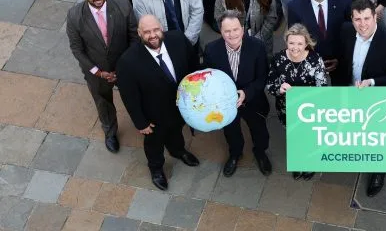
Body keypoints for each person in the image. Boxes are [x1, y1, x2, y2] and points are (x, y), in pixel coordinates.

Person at [116, 15, 200, 191]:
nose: (152, 35)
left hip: (180, 107)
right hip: (153, 115)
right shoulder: (128, 61)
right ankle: (156, 168)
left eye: (155, 30)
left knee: (177, 131)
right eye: (146, 32)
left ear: (161, 28)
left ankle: (178, 151)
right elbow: (129, 96)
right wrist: (141, 122)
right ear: (139, 33)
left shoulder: (177, 39)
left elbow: (192, 65)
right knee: (154, 143)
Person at [335, 0, 386, 197]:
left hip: (374, 97)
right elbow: (343, 58)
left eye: (367, 18)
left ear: (375, 17)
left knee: (376, 134)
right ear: (352, 19)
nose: (362, 24)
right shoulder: (346, 31)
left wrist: (372, 82)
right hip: (349, 89)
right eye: (358, 19)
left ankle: (378, 171)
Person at [66, 0, 138, 153]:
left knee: (134, 95)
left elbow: (134, 38)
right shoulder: (74, 15)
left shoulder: (123, 6)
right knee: (103, 101)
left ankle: (143, 123)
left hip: (125, 66)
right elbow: (76, 49)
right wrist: (97, 71)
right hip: (97, 71)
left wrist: (125, 66)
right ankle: (110, 132)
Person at [203, 10, 272, 178]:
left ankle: (260, 153)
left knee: (259, 131)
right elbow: (209, 78)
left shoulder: (257, 46)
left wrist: (246, 93)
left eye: (235, 29)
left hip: (252, 100)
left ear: (242, 28)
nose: (232, 34)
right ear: (221, 31)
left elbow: (263, 76)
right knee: (231, 131)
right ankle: (235, 153)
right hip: (226, 104)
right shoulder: (211, 50)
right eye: (227, 31)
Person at [266, 23, 327, 180]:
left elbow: (323, 88)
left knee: (309, 137)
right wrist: (279, 88)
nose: (295, 47)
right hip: (287, 110)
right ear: (286, 41)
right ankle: (298, 161)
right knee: (293, 136)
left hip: (310, 110)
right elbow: (269, 85)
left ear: (306, 43)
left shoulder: (315, 60)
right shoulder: (278, 59)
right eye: (291, 42)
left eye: (300, 43)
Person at [287, 0, 352, 79]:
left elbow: (351, 35)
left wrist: (340, 58)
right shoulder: (295, 6)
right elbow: (295, 40)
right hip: (310, 64)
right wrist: (315, 61)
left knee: (341, 94)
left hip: (340, 61)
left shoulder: (344, 0)